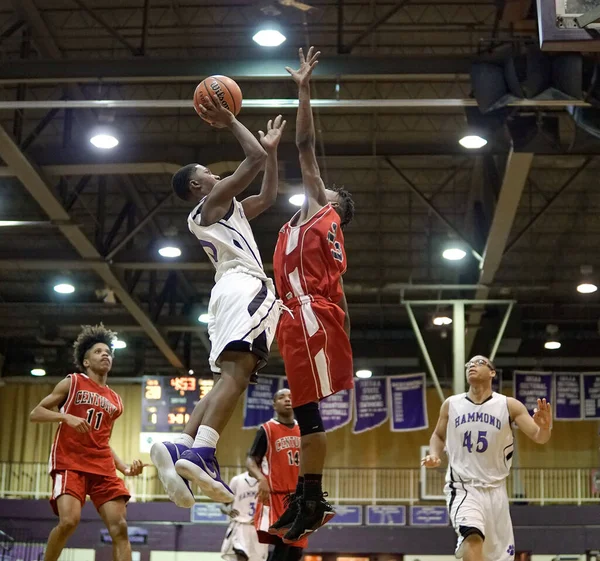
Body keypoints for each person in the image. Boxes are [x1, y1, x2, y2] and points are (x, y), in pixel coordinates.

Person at [150, 91, 286, 506]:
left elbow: (267, 195)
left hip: (226, 293)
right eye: (208, 172)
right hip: (245, 286)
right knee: (238, 375)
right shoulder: (212, 203)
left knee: (227, 377)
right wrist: (229, 121)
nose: (215, 174)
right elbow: (253, 161)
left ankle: (181, 446)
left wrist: (273, 151)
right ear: (197, 185)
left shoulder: (226, 211)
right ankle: (204, 454)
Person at [269, 46, 355, 543]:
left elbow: (306, 146)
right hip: (298, 318)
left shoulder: (326, 215)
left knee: (308, 414)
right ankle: (308, 497)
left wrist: (303, 89)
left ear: (336, 206)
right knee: (305, 413)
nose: (319, 189)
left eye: (328, 191)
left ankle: (314, 497)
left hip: (313, 318)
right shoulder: (295, 226)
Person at [30, 324, 146, 561]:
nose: (105, 354)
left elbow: (102, 440)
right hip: (70, 460)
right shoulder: (72, 382)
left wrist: (123, 467)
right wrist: (65, 416)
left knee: (120, 528)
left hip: (101, 465)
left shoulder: (115, 400)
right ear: (86, 361)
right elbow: (36, 413)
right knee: (69, 521)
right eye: (98, 351)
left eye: (108, 352)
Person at [421, 355, 552, 561]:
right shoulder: (451, 404)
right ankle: (466, 539)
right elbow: (438, 435)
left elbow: (539, 437)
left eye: (479, 363)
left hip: (496, 491)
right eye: (469, 364)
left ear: (492, 372)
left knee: (494, 555)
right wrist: (435, 455)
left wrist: (545, 426)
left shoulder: (509, 405)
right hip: (464, 486)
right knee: (473, 536)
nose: (472, 366)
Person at [247, 389, 306, 561]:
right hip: (277, 496)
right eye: (281, 397)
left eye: (290, 397)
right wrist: (261, 478)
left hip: (299, 498)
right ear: (274, 404)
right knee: (284, 544)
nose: (287, 400)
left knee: (296, 551)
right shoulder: (267, 429)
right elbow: (251, 460)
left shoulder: (303, 430)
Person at [220, 471, 268, 561]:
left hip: (259, 529)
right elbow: (223, 505)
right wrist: (228, 511)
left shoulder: (267, 482)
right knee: (240, 555)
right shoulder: (237, 480)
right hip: (240, 526)